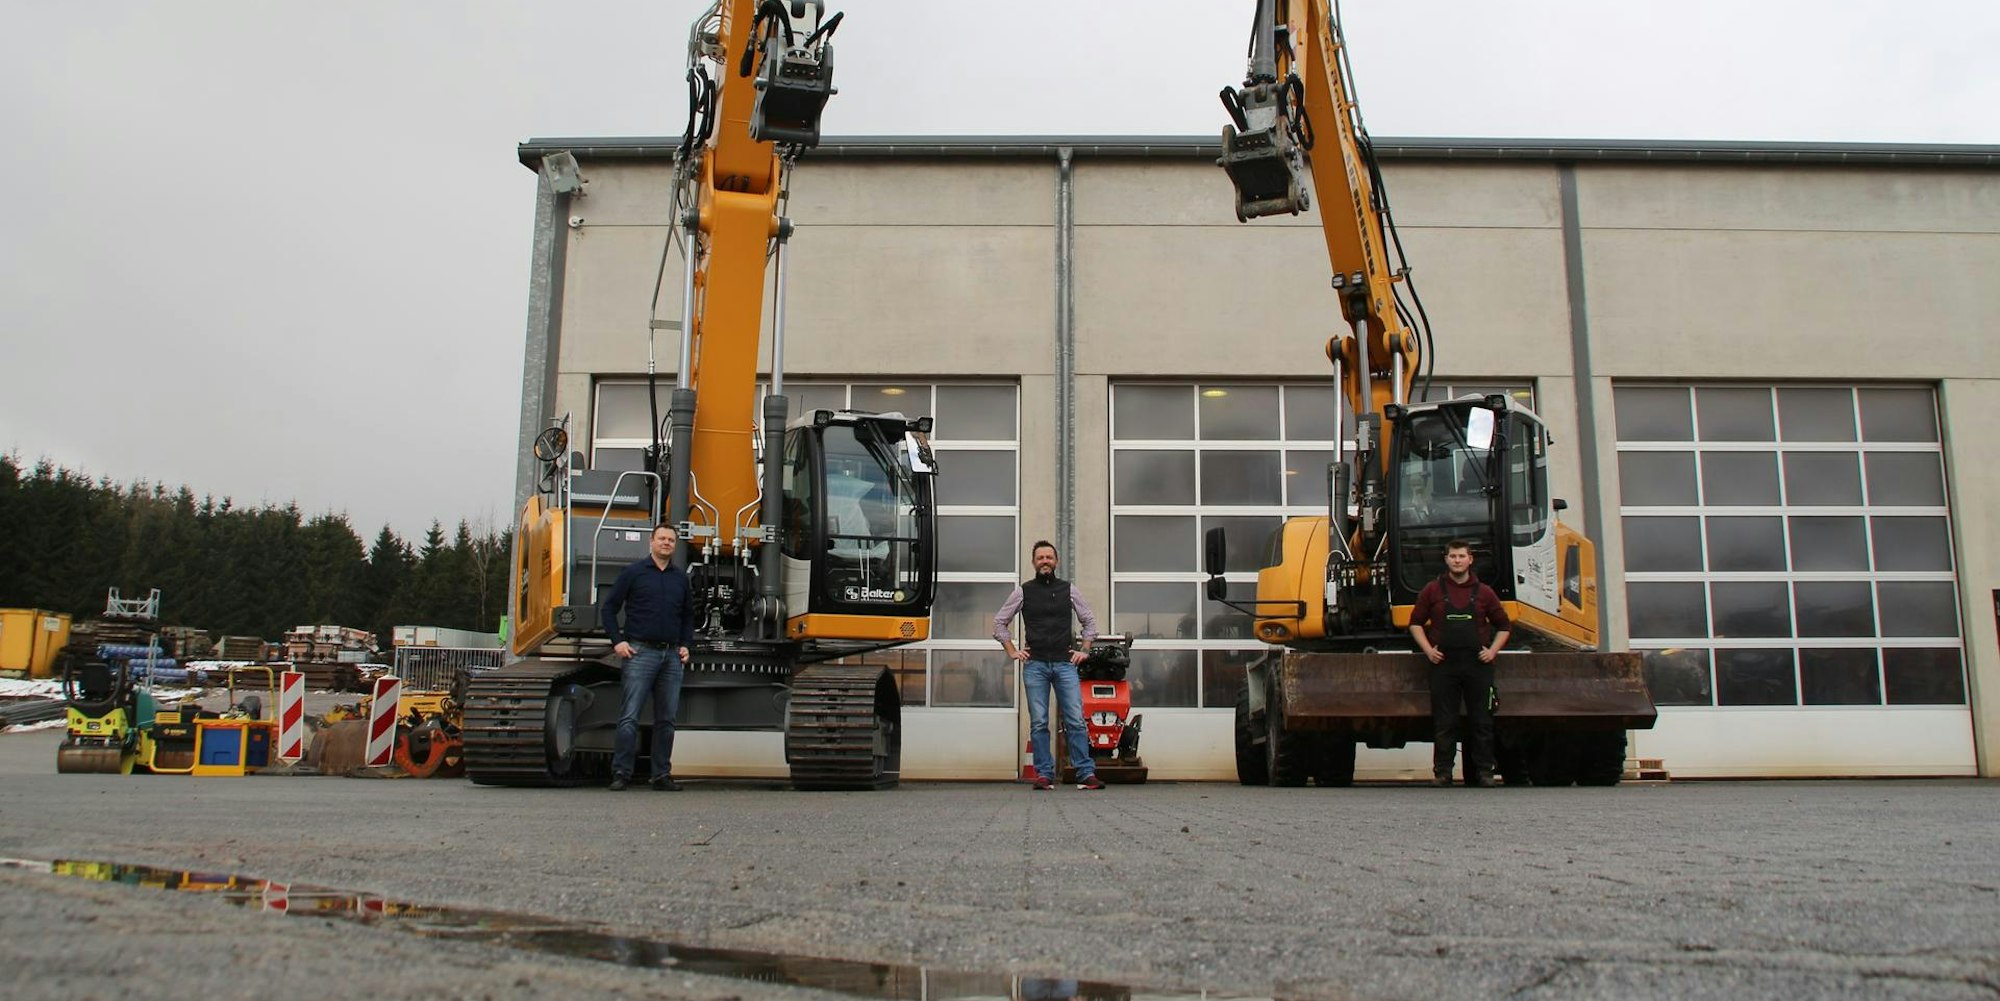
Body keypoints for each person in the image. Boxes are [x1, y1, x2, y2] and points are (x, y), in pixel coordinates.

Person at [992, 540, 1104, 791]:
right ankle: (1044, 774)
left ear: (1057, 562)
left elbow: (1089, 622)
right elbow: (999, 623)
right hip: (1035, 665)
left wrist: (1084, 650)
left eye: (1049, 558)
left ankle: (1085, 773)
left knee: (1075, 719)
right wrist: (1012, 651)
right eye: (1040, 558)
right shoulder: (1023, 592)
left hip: (1065, 664)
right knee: (1039, 721)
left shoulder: (1069, 590)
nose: (1045, 561)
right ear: (1033, 562)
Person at [1407, 538, 1512, 787]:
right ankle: (1443, 773)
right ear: (1446, 559)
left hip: (1477, 665)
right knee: (1445, 722)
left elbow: (1505, 626)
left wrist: (1493, 651)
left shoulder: (1485, 592)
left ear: (1470, 559)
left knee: (1482, 722)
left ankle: (1485, 773)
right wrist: (1428, 651)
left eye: (1461, 556)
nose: (1457, 561)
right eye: (1453, 556)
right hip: (1444, 665)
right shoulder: (1432, 590)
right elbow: (1415, 623)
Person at [599, 523, 696, 791]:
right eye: (662, 539)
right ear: (651, 542)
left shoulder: (680, 579)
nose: (666, 543)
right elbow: (609, 608)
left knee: (666, 720)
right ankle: (621, 773)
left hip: (672, 656)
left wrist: (686, 644)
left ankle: (661, 775)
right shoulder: (633, 573)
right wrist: (618, 642)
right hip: (640, 652)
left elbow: (688, 615)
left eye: (671, 540)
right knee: (629, 716)